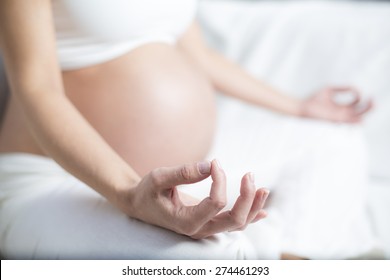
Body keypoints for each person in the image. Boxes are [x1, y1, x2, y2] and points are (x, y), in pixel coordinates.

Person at [0, 0, 374, 259]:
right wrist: (128, 194)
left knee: (333, 143)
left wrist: (297, 107)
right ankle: (257, 252)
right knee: (207, 257)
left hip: (183, 172)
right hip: (61, 182)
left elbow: (199, 55)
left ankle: (277, 251)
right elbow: (36, 89)